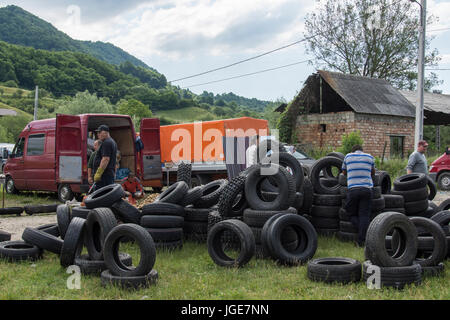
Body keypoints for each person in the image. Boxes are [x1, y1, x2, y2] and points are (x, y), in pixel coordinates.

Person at [342, 144, 375, 246]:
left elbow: (343, 172)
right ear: (362, 150)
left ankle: (362, 231)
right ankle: (361, 240)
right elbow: (372, 173)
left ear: (353, 151)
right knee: (364, 215)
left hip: (353, 190)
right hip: (367, 189)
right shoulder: (370, 157)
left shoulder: (347, 156)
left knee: (349, 212)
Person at [93, 125, 117, 190]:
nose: (98, 134)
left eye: (100, 132)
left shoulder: (107, 142)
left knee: (101, 194)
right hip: (108, 173)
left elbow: (106, 159)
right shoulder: (111, 141)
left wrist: (99, 173)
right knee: (107, 193)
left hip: (104, 175)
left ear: (106, 133)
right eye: (97, 133)